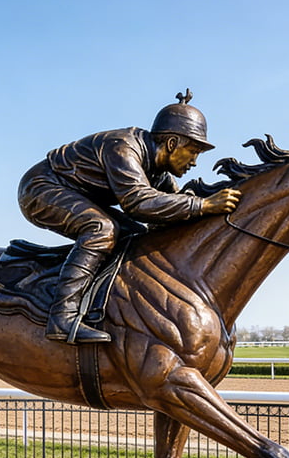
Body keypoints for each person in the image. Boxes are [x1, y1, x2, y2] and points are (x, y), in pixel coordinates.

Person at [18, 90, 241, 344]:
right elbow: (139, 202)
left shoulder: (157, 171)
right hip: (41, 188)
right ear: (172, 144)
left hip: (75, 193)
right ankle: (62, 316)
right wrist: (203, 205)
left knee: (136, 234)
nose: (194, 162)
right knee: (101, 228)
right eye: (193, 151)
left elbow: (171, 204)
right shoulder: (124, 149)